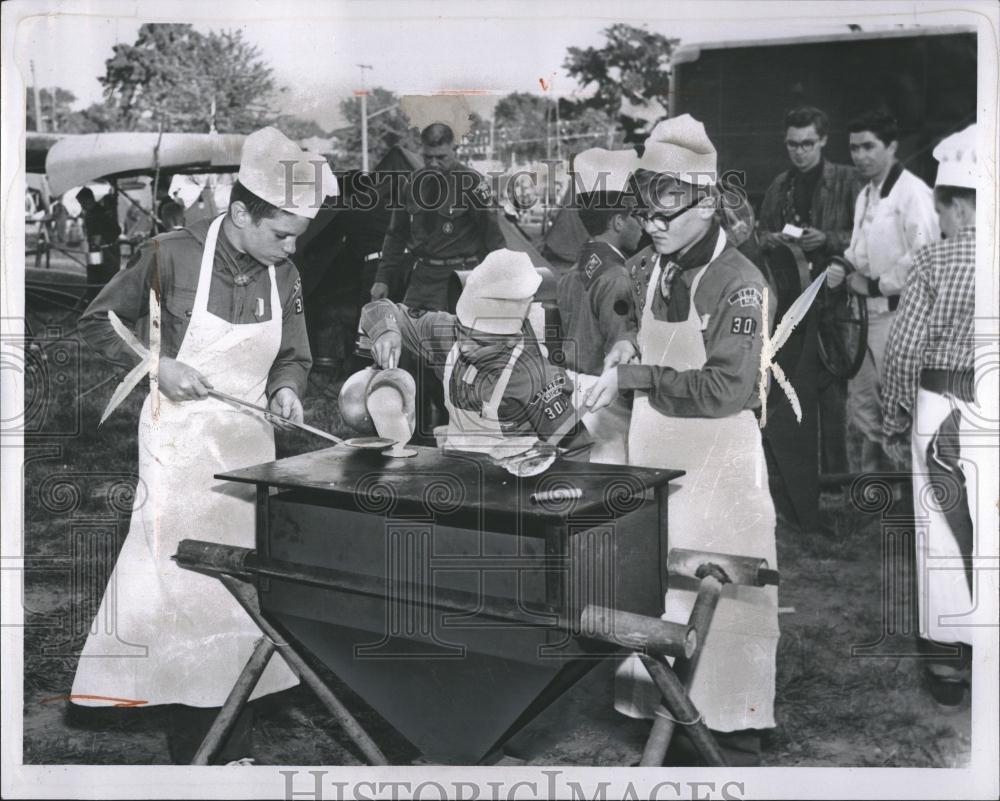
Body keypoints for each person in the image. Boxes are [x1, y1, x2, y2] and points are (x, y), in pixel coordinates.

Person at [71, 126, 337, 764]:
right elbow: (94, 325)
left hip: (247, 446)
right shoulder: (169, 255)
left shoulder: (285, 271)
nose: (291, 246)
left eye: (297, 234)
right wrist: (154, 364)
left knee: (240, 588)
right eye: (282, 232)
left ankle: (224, 729)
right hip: (179, 445)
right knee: (187, 586)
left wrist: (287, 388)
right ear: (241, 214)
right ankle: (210, 746)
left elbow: (294, 355)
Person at [585, 115, 779, 766]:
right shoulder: (652, 267)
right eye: (644, 214)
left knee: (727, 585)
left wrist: (636, 375)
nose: (652, 226)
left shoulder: (740, 281)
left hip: (719, 457)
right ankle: (658, 703)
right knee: (659, 577)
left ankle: (735, 719)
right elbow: (638, 334)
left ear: (707, 201)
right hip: (657, 446)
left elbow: (727, 386)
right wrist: (621, 351)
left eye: (667, 214)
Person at [881, 124, 982, 707]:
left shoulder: (935, 260)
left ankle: (949, 662)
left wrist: (894, 420)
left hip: (941, 401)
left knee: (940, 534)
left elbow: (903, 349)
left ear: (952, 206)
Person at [361, 248, 584, 454]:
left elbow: (580, 448)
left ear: (508, 341)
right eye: (464, 332)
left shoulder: (533, 378)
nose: (466, 346)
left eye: (479, 342)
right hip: (453, 472)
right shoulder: (447, 332)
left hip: (509, 488)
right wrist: (386, 331)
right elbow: (380, 308)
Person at [827, 109, 939, 473]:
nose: (860, 156)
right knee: (862, 405)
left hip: (901, 317)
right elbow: (859, 248)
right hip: (865, 319)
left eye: (868, 146)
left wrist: (876, 284)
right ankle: (875, 489)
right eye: (854, 148)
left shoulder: (914, 195)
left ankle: (910, 489)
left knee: (900, 407)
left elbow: (925, 256)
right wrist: (842, 265)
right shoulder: (866, 195)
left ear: (892, 146)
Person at [758, 105, 861, 475]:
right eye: (792, 145)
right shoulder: (779, 185)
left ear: (823, 141)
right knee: (792, 391)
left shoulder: (850, 182)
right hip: (792, 304)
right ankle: (800, 477)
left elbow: (869, 238)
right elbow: (761, 234)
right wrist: (773, 238)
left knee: (834, 395)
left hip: (836, 305)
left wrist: (829, 238)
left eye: (807, 144)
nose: (799, 151)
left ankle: (836, 477)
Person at [556, 147, 642, 463]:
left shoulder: (571, 271)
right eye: (635, 216)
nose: (643, 225)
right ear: (618, 222)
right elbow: (621, 350)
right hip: (608, 402)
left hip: (573, 393)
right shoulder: (618, 276)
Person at [370, 122, 507, 310]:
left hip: (458, 277)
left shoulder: (471, 183)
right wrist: (382, 279)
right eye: (428, 157)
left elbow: (493, 236)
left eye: (441, 157)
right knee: (411, 334)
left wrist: (501, 281)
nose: (434, 164)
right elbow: (396, 234)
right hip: (421, 277)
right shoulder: (411, 184)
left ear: (454, 150)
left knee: (450, 336)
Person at [77, 186, 122, 296]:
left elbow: (116, 230)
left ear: (88, 199)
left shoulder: (100, 213)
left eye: (82, 203)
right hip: (97, 250)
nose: (81, 206)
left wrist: (101, 239)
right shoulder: (92, 213)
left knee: (104, 278)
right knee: (96, 277)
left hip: (105, 250)